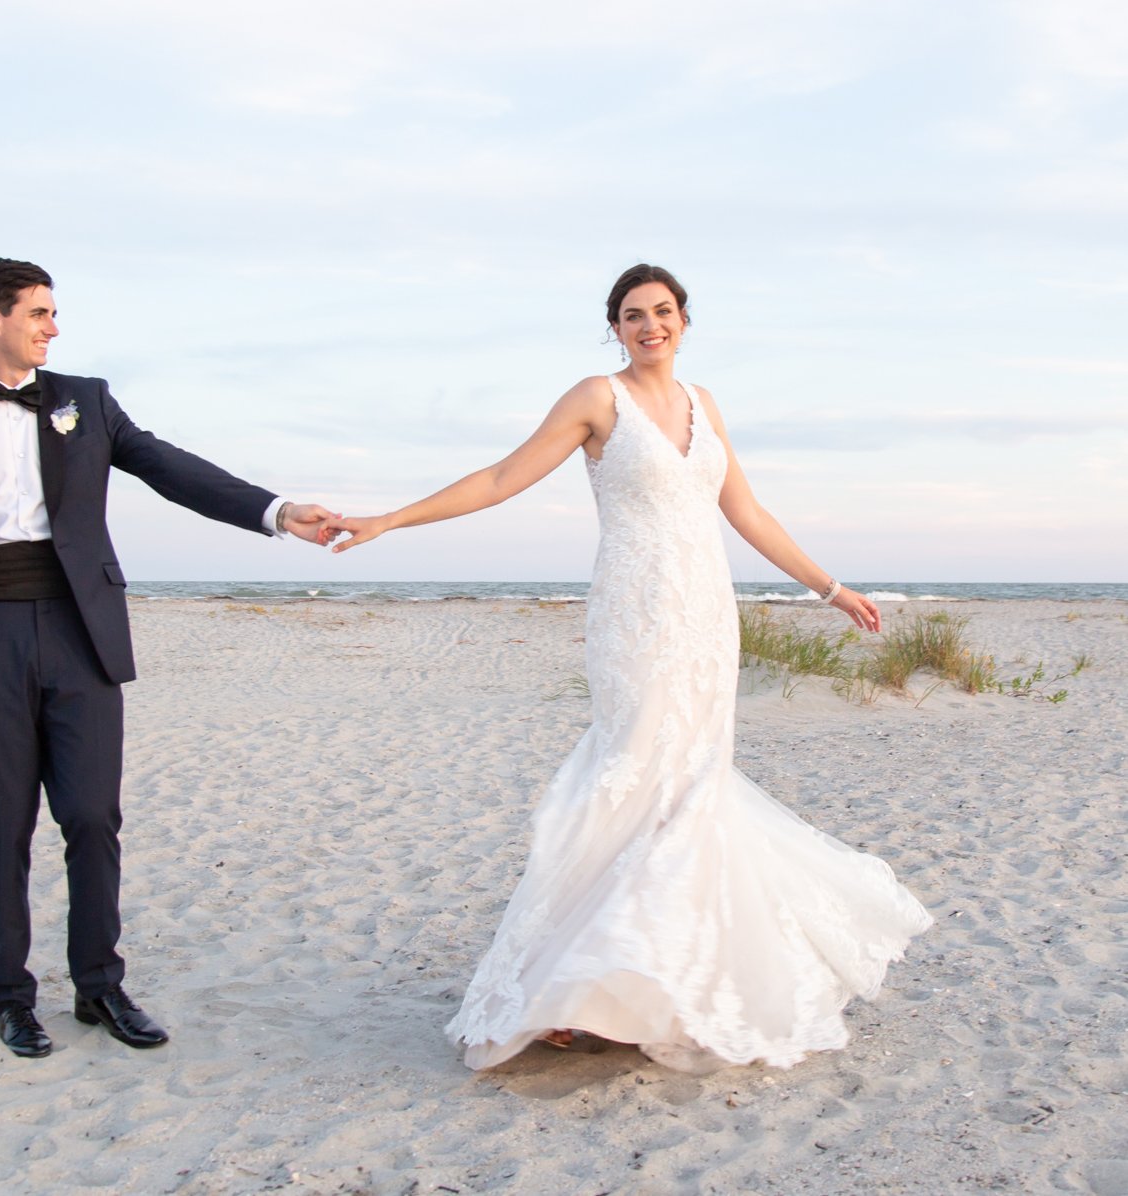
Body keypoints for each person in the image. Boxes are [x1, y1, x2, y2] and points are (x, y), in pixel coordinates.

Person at [329, 263, 931, 1071]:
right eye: (632, 314)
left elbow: (745, 511)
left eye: (664, 311)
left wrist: (829, 587)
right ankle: (574, 985)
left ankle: (649, 983)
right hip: (635, 618)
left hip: (707, 619)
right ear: (613, 327)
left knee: (690, 790)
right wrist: (387, 521)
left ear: (685, 320)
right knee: (631, 777)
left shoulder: (704, 405)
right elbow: (503, 479)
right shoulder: (594, 399)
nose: (650, 325)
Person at [0, 258, 336, 1059]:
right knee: (0, 827)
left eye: (54, 313)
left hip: (79, 633)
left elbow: (170, 469)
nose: (53, 327)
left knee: (92, 816)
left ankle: (99, 985)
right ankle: (11, 998)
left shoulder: (85, 402)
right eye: (39, 313)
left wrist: (275, 510)